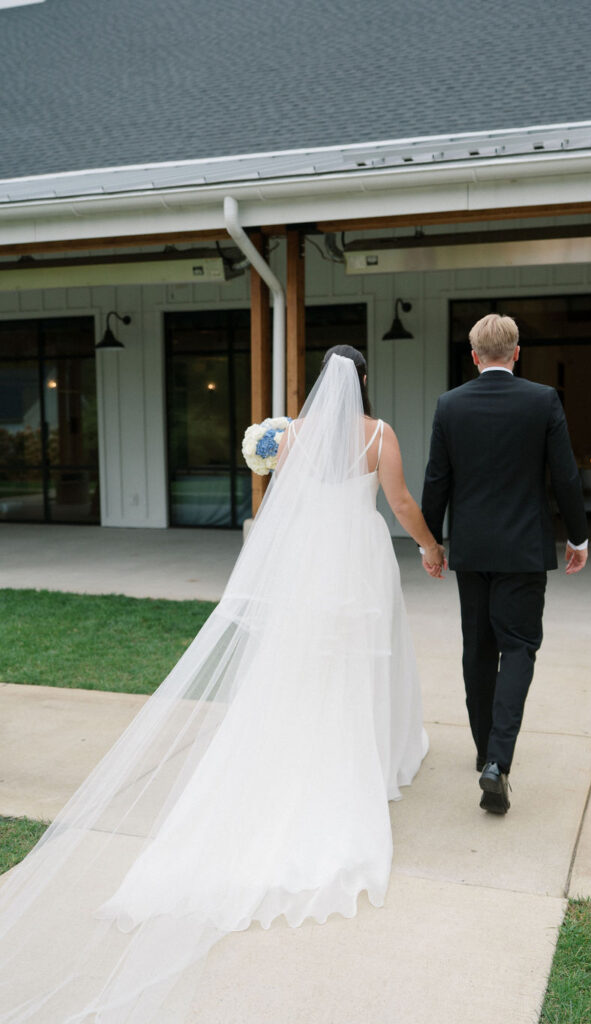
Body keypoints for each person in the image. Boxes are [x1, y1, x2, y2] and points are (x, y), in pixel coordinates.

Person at [0, 347, 444, 1023]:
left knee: (300, 669)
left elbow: (284, 510)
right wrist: (430, 545)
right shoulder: (378, 434)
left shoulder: (290, 436)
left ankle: (298, 751)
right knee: (357, 664)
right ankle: (358, 759)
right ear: (363, 384)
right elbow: (401, 501)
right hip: (355, 561)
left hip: (306, 568)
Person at [421, 314, 588, 815]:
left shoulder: (450, 405)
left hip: (471, 550)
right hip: (522, 551)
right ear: (517, 353)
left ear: (474, 356)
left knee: (478, 648)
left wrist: (431, 544)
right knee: (518, 647)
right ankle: (498, 760)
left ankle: (483, 752)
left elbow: (436, 480)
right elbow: (566, 476)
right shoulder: (543, 400)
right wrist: (578, 536)